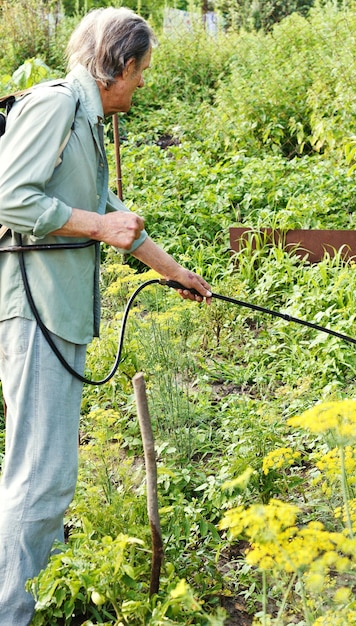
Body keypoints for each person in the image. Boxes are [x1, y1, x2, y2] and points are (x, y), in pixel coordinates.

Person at [0, 7, 212, 624]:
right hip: (35, 313)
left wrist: (175, 272)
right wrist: (100, 226)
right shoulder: (57, 105)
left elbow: (105, 207)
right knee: (40, 479)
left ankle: (41, 586)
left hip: (56, 313)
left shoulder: (86, 120)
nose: (143, 83)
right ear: (119, 65)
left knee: (46, 472)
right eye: (141, 71)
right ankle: (14, 611)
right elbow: (9, 195)